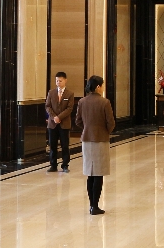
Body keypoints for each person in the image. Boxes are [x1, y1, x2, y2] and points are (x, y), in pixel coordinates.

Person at [77, 75, 115, 214]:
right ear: (98, 87)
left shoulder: (82, 101)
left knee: (90, 173)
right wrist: (105, 131)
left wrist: (87, 129)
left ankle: (91, 205)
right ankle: (95, 206)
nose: (103, 88)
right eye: (102, 85)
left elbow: (78, 121)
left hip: (86, 140)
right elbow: (111, 123)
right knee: (99, 173)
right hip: (101, 140)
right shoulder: (105, 102)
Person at [45, 71, 75, 172]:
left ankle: (65, 165)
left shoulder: (70, 94)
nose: (58, 82)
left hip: (64, 123)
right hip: (52, 123)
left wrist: (59, 117)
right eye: (57, 81)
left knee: (65, 145)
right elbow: (47, 106)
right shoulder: (51, 92)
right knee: (52, 145)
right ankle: (53, 165)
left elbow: (69, 108)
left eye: (60, 81)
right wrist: (54, 117)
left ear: (65, 81)